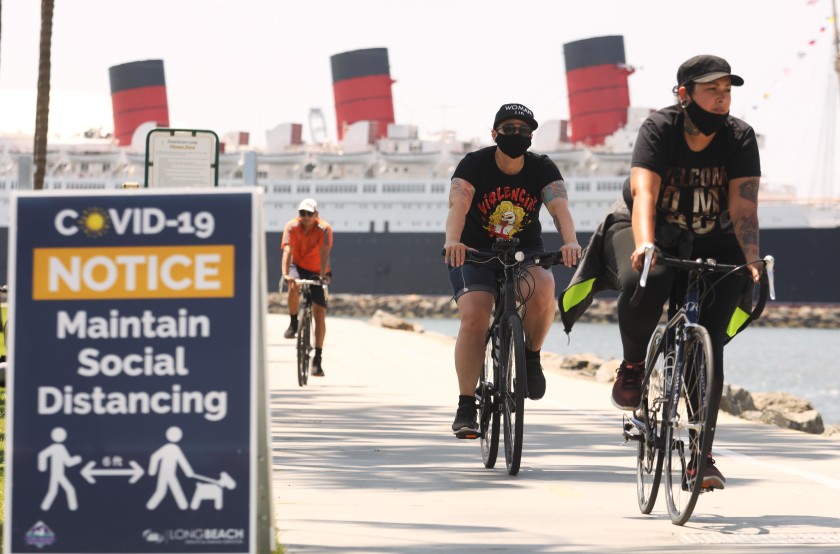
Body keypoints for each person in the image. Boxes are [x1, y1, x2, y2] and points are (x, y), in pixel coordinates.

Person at [559, 55, 762, 489]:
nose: (722, 98)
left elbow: (743, 206)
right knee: (643, 281)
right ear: (684, 94)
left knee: (710, 342)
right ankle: (633, 366)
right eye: (712, 90)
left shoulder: (740, 136)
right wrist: (647, 243)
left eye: (727, 90)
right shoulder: (660, 129)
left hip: (713, 236)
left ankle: (700, 454)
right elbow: (644, 193)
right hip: (649, 227)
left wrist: (750, 257)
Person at [443, 103, 582, 439]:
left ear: (531, 137)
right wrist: (453, 241)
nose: (516, 135)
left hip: (525, 251)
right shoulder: (474, 164)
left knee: (544, 286)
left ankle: (531, 357)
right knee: (475, 316)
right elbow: (458, 205)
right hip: (475, 252)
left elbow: (558, 207)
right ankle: (466, 405)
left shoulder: (541, 167)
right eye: (508, 129)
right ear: (494, 134)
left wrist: (570, 242)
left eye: (523, 130)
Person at [282, 198, 333, 377]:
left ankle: (317, 359)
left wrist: (321, 276)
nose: (305, 217)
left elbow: (325, 252)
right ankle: (294, 322)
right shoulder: (292, 227)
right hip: (297, 266)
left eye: (309, 214)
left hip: (318, 269)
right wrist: (286, 274)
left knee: (320, 313)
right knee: (293, 286)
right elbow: (287, 251)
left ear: (316, 215)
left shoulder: (324, 229)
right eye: (302, 213)